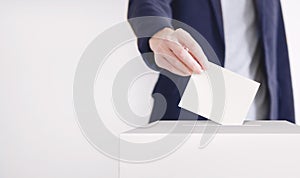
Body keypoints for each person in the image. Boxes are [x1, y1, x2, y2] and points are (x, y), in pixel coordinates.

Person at [127, 0, 295, 123]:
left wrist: (287, 123)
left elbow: (276, 49)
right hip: (187, 118)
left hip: (260, 119)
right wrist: (158, 31)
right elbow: (148, 3)